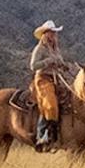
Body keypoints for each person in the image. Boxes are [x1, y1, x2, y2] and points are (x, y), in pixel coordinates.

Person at [30, 20, 67, 151]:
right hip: (43, 79)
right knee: (50, 105)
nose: (53, 35)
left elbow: (60, 61)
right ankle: (43, 134)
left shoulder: (55, 48)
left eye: (54, 33)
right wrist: (48, 61)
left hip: (56, 79)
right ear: (45, 34)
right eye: (51, 33)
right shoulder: (39, 49)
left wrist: (63, 65)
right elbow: (33, 66)